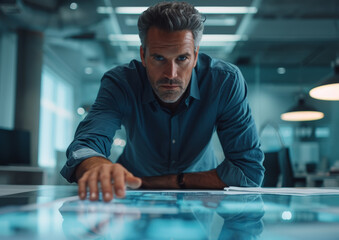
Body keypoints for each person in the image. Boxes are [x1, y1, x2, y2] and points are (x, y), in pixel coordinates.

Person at [61, 1, 265, 202]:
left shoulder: (224, 81)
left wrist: (159, 182)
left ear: (195, 56)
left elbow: (248, 171)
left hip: (199, 197)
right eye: (159, 58)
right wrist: (97, 165)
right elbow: (86, 144)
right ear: (143, 55)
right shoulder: (121, 83)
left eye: (182, 59)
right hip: (132, 198)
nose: (171, 74)